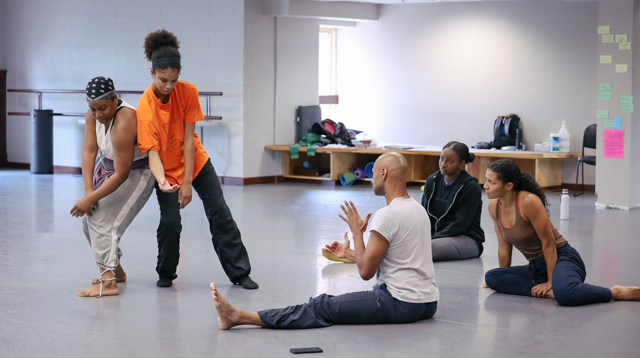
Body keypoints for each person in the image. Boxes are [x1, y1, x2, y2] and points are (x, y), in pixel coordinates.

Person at [210, 152, 439, 329]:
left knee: (321, 305)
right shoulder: (418, 210)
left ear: (384, 173)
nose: (370, 179)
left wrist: (357, 234)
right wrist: (349, 253)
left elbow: (366, 271)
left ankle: (240, 316)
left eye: (373, 173)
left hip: (399, 303)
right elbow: (397, 257)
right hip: (427, 304)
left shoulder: (387, 215)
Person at [136, 29, 257, 289]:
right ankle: (166, 272)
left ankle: (239, 272)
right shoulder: (145, 109)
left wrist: (188, 181)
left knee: (220, 212)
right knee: (170, 221)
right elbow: (153, 154)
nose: (169, 86)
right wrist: (162, 181)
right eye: (163, 79)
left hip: (196, 163)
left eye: (174, 79)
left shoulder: (188, 91)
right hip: (165, 171)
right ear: (151, 72)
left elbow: (190, 139)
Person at [483, 159, 640, 306]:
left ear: (508, 186)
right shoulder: (493, 206)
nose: (485, 185)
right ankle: (543, 292)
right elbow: (504, 246)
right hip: (536, 267)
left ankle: (614, 292)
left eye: (492, 182)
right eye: (486, 180)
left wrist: (550, 282)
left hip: (562, 258)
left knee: (565, 294)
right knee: (492, 277)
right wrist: (502, 274)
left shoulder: (528, 201)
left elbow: (549, 242)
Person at [71, 76, 155, 297]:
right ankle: (115, 270)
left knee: (101, 221)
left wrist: (90, 199)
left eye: (102, 108)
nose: (98, 114)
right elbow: (89, 151)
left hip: (135, 172)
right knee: (88, 221)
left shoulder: (125, 119)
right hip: (107, 167)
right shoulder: (93, 115)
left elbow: (122, 173)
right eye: (92, 109)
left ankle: (108, 283)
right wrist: (89, 192)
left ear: (114, 99)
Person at [421, 141, 484, 261]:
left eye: (450, 162)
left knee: (421, 250)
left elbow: (459, 225)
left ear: (461, 163)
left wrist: (432, 239)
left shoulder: (470, 187)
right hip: (437, 237)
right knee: (404, 244)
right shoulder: (432, 180)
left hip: (464, 238)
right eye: (441, 158)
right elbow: (424, 215)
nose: (443, 165)